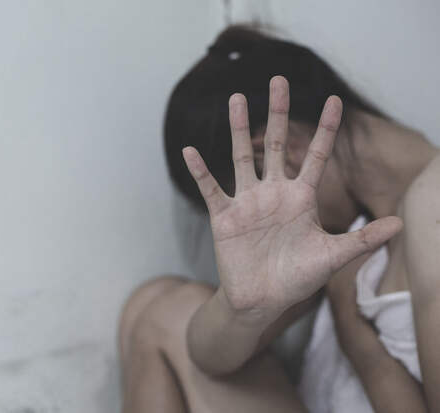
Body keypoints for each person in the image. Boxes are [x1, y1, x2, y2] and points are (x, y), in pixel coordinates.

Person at [117, 25, 440, 412]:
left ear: (274, 153)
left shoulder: (429, 204)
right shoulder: (350, 234)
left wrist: (358, 341)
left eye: (248, 195)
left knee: (165, 313)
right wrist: (242, 307)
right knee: (151, 301)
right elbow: (207, 355)